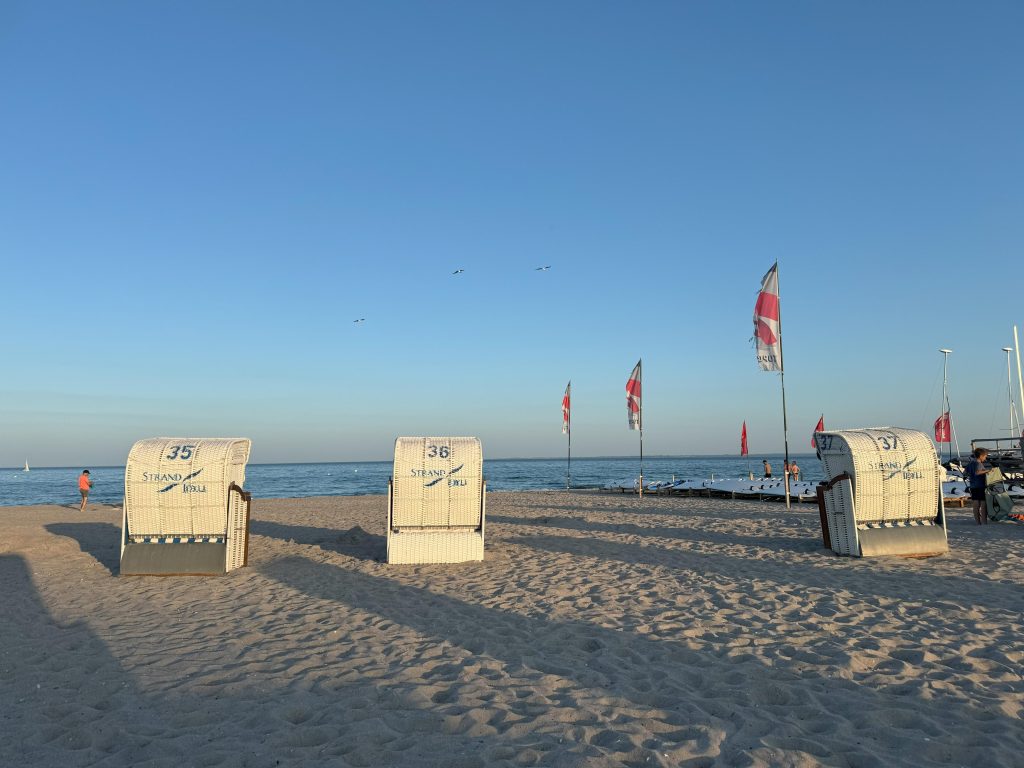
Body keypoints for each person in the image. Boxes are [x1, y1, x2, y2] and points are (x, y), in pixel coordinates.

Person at [964, 448, 992, 525]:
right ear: (981, 456)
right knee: (983, 504)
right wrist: (988, 471)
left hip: (972, 486)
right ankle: (984, 522)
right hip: (980, 486)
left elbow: (964, 473)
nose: (985, 458)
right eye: (985, 456)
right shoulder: (978, 463)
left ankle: (977, 522)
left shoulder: (970, 463)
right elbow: (978, 472)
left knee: (975, 504)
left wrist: (971, 475)